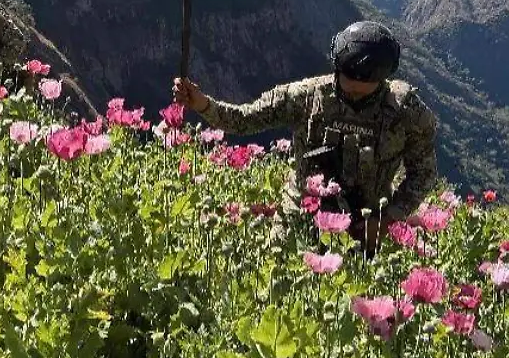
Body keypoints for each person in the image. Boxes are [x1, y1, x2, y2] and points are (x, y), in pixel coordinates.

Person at [172, 20, 438, 255]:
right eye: (348, 90)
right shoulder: (305, 97)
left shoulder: (406, 111)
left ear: (383, 79)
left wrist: (387, 220)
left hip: (363, 229)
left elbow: (423, 174)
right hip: (298, 219)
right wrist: (202, 104)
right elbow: (244, 120)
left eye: (362, 94)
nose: (353, 97)